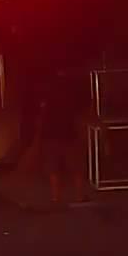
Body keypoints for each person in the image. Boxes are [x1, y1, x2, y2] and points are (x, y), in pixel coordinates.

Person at [36, 72, 89, 207]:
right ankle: (79, 196)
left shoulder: (47, 97)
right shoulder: (71, 97)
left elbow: (42, 116)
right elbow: (79, 113)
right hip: (68, 135)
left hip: (51, 136)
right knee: (76, 166)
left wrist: (40, 136)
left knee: (53, 168)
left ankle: (56, 197)